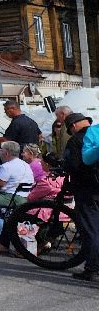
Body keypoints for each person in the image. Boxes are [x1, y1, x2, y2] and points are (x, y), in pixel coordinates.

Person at [63, 113, 99, 282]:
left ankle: (92, 268)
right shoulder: (96, 133)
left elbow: (74, 165)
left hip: (87, 190)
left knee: (91, 229)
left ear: (73, 126)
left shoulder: (76, 140)